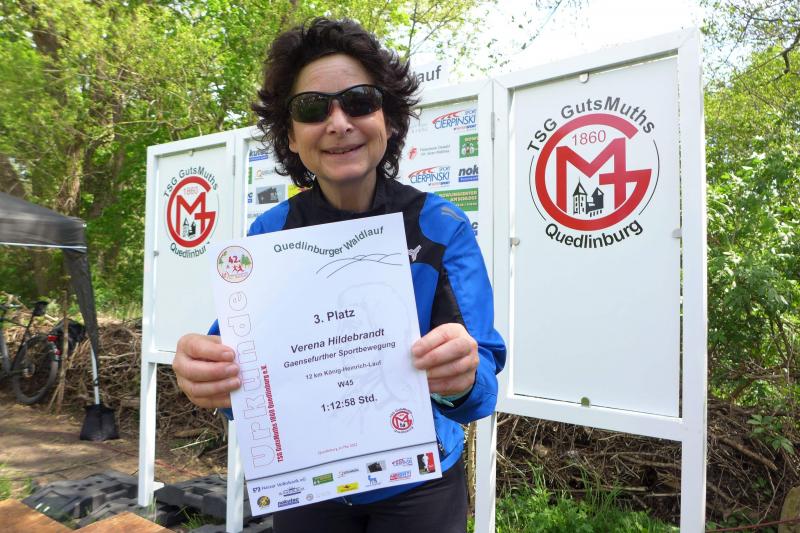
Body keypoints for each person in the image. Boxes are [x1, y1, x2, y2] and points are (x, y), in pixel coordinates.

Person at [172, 17, 506, 533]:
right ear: (290, 135)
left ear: (388, 119)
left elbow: (481, 385)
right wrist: (207, 375)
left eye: (359, 101)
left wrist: (462, 378)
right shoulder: (270, 233)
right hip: (308, 484)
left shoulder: (441, 226)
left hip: (421, 482)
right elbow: (241, 379)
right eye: (312, 108)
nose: (338, 122)